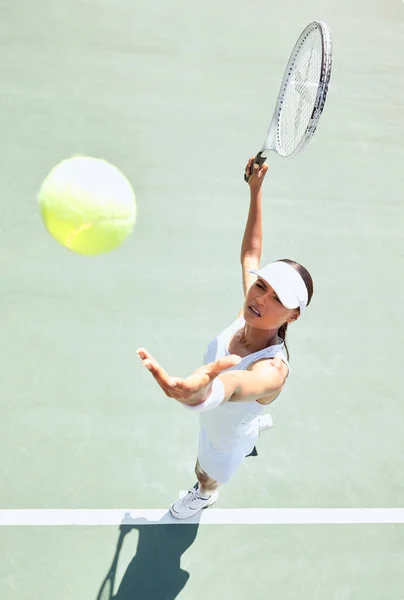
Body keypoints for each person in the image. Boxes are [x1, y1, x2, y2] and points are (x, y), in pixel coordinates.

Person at [137, 158, 314, 520]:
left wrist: (201, 391)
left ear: (294, 315)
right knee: (246, 417)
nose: (260, 297)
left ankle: (205, 494)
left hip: (224, 435)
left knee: (206, 471)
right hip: (225, 412)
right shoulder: (249, 313)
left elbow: (233, 384)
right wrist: (255, 190)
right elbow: (251, 252)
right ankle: (256, 423)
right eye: (261, 285)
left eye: (277, 298)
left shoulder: (273, 371)